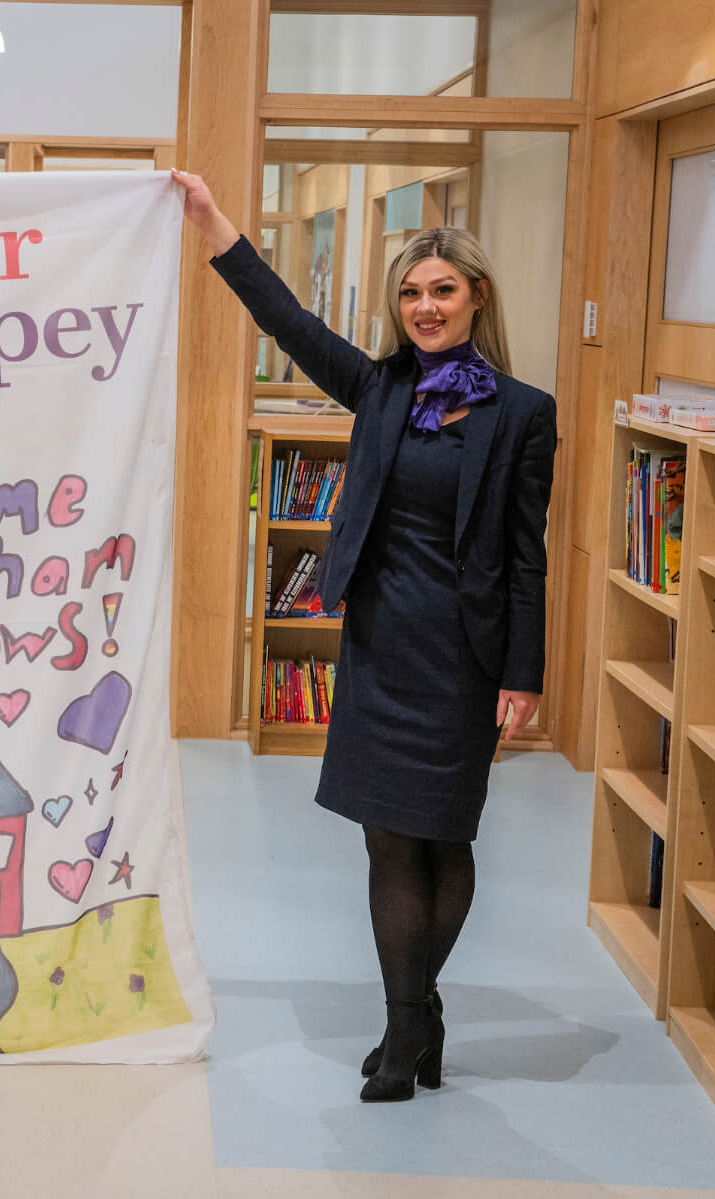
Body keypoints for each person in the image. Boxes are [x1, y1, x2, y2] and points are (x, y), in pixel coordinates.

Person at [172, 168, 557, 1102]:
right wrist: (213, 223)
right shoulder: (379, 387)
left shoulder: (525, 413)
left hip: (465, 658)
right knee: (388, 841)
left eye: (442, 291)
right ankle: (407, 1028)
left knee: (445, 841)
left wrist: (524, 672)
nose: (424, 307)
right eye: (411, 294)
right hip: (381, 649)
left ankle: (414, 1013)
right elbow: (286, 322)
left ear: (477, 298)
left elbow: (527, 553)